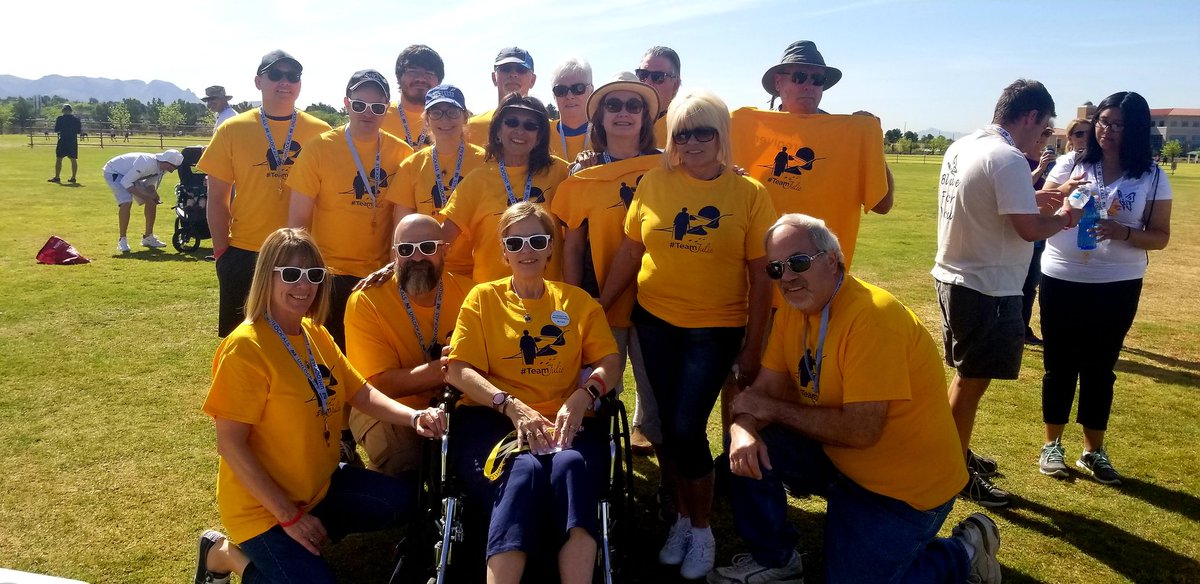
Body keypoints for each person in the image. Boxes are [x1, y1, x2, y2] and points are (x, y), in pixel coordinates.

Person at [708, 214, 1000, 584]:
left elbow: (862, 430)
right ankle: (776, 561)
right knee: (749, 444)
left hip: (904, 488)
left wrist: (764, 409)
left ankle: (965, 552)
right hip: (842, 461)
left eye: (799, 262)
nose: (788, 278)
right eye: (777, 269)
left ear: (832, 260)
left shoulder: (873, 318)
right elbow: (761, 393)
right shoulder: (794, 313)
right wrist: (742, 429)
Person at [193, 227, 445, 584]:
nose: (304, 285)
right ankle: (222, 554)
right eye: (291, 274)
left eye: (313, 275)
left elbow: (361, 393)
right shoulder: (245, 348)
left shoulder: (316, 333)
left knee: (405, 502)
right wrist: (289, 517)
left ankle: (309, 539)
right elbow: (230, 444)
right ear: (267, 276)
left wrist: (415, 416)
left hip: (319, 489)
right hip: (262, 510)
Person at [599, 91, 776, 580]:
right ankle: (681, 516)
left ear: (722, 136)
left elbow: (762, 276)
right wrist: (600, 304)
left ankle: (702, 529)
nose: (692, 142)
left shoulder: (750, 193)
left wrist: (754, 346)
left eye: (703, 132)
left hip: (715, 329)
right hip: (655, 322)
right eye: (682, 133)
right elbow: (631, 252)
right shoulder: (655, 182)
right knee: (665, 429)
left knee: (685, 428)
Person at [445, 202, 622, 584]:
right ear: (504, 251)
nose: (526, 250)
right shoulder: (482, 299)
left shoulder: (577, 302)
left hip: (566, 421)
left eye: (537, 241)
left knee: (571, 466)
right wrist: (508, 405)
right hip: (493, 419)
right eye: (516, 242)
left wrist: (584, 395)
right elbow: (459, 369)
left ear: (550, 248)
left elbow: (610, 361)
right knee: (521, 469)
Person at [931, 79, 1079, 507]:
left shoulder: (963, 146)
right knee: (970, 384)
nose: (1044, 137)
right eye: (1045, 127)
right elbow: (1029, 229)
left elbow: (985, 201)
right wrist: (1067, 216)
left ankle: (952, 451)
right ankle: (953, 473)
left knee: (963, 379)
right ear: (1030, 116)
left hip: (956, 277)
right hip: (987, 287)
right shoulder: (1009, 156)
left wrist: (1033, 197)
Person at [1037, 92, 1172, 485]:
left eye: (1117, 124)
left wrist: (1123, 232)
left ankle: (1093, 451)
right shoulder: (1072, 163)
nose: (1105, 131)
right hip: (1062, 276)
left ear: (1136, 130)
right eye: (1102, 122)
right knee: (1059, 364)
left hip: (1118, 282)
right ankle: (1051, 445)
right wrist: (1064, 193)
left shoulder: (1151, 176)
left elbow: (1160, 236)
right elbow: (1039, 208)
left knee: (1100, 368)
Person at [552, 72, 661, 456]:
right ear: (599, 117)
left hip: (656, 300)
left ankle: (664, 473)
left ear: (646, 117)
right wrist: (573, 302)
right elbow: (572, 244)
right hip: (600, 299)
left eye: (634, 106)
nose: (623, 113)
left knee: (656, 391)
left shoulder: (669, 166)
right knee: (597, 393)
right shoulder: (584, 173)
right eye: (613, 105)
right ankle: (597, 468)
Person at [199, 49, 331, 338]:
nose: (285, 82)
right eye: (275, 74)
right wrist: (222, 253)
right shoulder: (232, 129)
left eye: (292, 76)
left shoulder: (321, 132)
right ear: (258, 81)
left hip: (302, 256)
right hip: (246, 251)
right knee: (244, 341)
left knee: (301, 338)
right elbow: (217, 197)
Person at [729, 40, 893, 269]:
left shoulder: (846, 136)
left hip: (820, 273)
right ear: (778, 82)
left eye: (817, 79)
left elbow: (882, 205)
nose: (809, 86)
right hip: (760, 270)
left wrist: (871, 144)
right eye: (799, 77)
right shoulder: (746, 129)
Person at [287, 69, 414, 349]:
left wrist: (396, 269)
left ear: (387, 109)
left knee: (371, 356)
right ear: (346, 104)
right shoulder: (319, 148)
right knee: (326, 354)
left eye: (377, 107)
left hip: (380, 275)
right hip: (328, 273)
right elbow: (298, 220)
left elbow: (403, 220)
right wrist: (302, 273)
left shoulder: (402, 153)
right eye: (359, 105)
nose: (368, 113)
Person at [344, 214, 474, 477]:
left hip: (455, 404)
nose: (416, 257)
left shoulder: (471, 295)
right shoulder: (366, 301)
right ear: (394, 254)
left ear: (445, 250)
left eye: (427, 247)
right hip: (385, 407)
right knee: (407, 466)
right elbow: (377, 385)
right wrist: (448, 368)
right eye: (406, 249)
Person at [443, 93, 569, 284]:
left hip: (548, 295)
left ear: (539, 137)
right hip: (492, 297)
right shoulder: (477, 180)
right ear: (498, 132)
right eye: (511, 122)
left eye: (530, 126)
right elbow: (441, 241)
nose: (520, 131)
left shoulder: (560, 172)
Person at [389, 84, 488, 278]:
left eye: (452, 112)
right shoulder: (411, 165)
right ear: (426, 120)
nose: (445, 119)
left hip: (476, 271)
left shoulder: (486, 162)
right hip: (427, 270)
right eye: (436, 113)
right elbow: (401, 231)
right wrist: (396, 274)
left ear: (465, 117)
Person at [102, 149, 183, 252]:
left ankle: (148, 237)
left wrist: (153, 194)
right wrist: (145, 197)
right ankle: (122, 240)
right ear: (166, 162)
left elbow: (149, 184)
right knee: (126, 202)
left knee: (152, 202)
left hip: (130, 176)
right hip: (115, 172)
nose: (173, 170)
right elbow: (126, 182)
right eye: (173, 167)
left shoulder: (163, 168)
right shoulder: (145, 162)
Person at [1020, 126, 1058, 346]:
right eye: (1040, 133)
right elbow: (1021, 191)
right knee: (1025, 283)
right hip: (1028, 228)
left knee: (1033, 282)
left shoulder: (1056, 165)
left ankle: (1023, 328)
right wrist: (1041, 168)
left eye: (1046, 135)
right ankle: (1020, 329)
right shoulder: (1020, 161)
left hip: (1048, 228)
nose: (1042, 139)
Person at [467, 47, 537, 146]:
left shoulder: (547, 129)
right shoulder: (471, 128)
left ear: (532, 80)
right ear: (494, 78)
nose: (513, 74)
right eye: (506, 69)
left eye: (521, 70)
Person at [382, 44, 444, 148]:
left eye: (429, 73)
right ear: (399, 77)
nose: (421, 78)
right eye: (413, 71)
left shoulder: (452, 120)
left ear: (439, 81)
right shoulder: (378, 116)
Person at [546, 58, 594, 163]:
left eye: (578, 88)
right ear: (553, 95)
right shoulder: (541, 133)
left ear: (591, 91)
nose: (569, 96)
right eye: (561, 90)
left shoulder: (606, 133)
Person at [635, 46, 681, 148]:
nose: (647, 82)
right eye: (643, 75)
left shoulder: (686, 129)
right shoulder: (618, 123)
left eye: (658, 77)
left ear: (675, 84)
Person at [49, 104, 81, 184]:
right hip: (72, 141)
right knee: (73, 159)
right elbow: (79, 131)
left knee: (59, 158)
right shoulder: (76, 120)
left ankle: (57, 177)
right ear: (71, 110)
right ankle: (73, 177)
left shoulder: (60, 119)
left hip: (63, 140)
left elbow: (56, 130)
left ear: (63, 111)